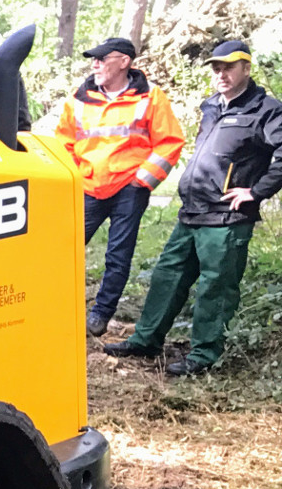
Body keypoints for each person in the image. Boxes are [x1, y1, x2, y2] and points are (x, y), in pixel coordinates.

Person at [104, 40, 282, 375]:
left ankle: (202, 357)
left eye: (229, 67)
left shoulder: (266, 109)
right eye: (217, 68)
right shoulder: (212, 106)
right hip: (192, 209)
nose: (222, 74)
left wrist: (257, 192)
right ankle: (146, 340)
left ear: (246, 67)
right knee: (167, 275)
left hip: (227, 217)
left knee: (216, 286)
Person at [55, 37, 186, 337]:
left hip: (129, 189)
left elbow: (170, 142)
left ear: (124, 62)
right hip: (87, 186)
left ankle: (100, 314)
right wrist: (76, 176)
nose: (95, 64)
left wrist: (142, 181)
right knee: (63, 246)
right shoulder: (80, 97)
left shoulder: (151, 97)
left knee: (118, 255)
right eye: (94, 59)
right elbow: (64, 142)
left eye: (102, 59)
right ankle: (56, 301)